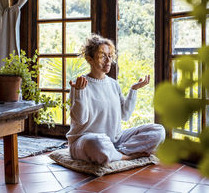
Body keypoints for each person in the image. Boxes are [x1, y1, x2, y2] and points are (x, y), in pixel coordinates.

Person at [67, 34, 165, 164]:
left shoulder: (114, 84)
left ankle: (116, 152)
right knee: (96, 143)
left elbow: (125, 115)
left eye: (110, 55)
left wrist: (133, 90)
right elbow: (80, 119)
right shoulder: (79, 84)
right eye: (103, 56)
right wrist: (79, 93)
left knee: (158, 130)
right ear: (89, 59)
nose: (108, 60)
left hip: (114, 140)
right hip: (85, 141)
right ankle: (126, 156)